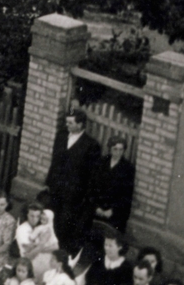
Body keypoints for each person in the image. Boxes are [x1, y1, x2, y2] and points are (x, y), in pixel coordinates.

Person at [46, 107, 101, 250]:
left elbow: (92, 175)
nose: (67, 125)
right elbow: (54, 161)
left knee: (65, 224)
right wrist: (50, 182)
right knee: (51, 219)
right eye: (66, 122)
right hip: (56, 188)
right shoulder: (61, 137)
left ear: (80, 124)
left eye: (70, 123)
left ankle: (61, 251)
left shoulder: (91, 145)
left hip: (73, 194)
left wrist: (84, 196)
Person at [91, 136, 136, 235]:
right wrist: (96, 207)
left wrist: (112, 210)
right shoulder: (101, 162)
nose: (118, 152)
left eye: (121, 150)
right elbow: (92, 187)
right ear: (110, 149)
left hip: (114, 213)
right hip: (97, 209)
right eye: (115, 149)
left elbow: (126, 195)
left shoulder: (128, 168)